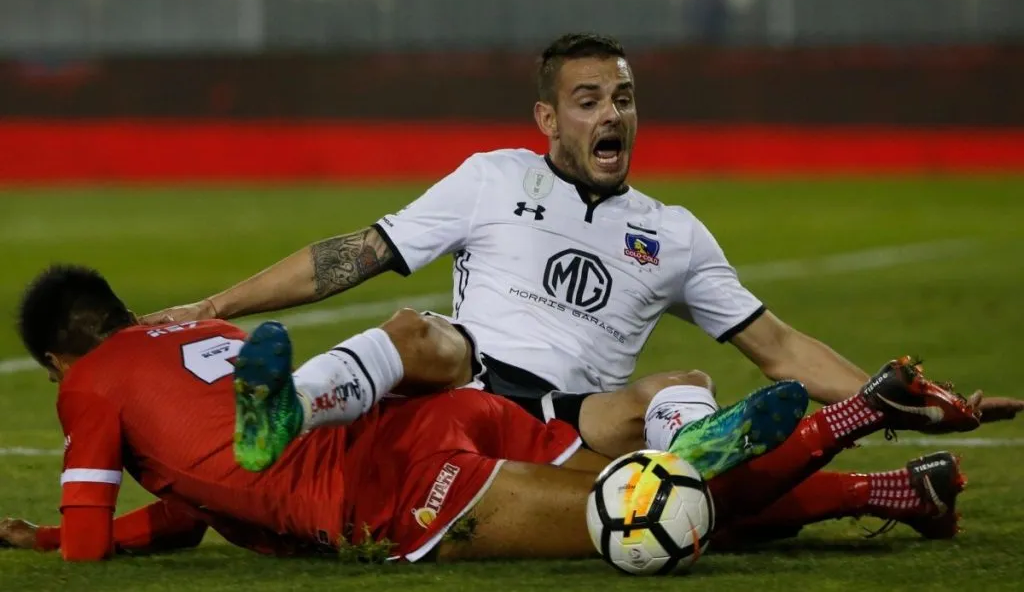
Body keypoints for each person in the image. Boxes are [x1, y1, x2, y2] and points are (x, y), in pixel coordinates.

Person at [139, 32, 1022, 462]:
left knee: (685, 386)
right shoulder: (492, 176)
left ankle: (693, 467)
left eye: (625, 99)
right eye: (592, 99)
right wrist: (216, 307)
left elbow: (780, 346)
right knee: (418, 330)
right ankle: (278, 415)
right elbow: (355, 253)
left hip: (574, 415)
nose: (613, 116)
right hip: (469, 372)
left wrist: (900, 399)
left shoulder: (675, 233)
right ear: (548, 119)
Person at [0, 265, 982, 563]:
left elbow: (92, 537)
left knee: (649, 520)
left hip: (389, 490)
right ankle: (889, 489)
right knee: (648, 485)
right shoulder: (177, 345)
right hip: (425, 418)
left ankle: (846, 420)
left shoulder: (91, 383)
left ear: (58, 358)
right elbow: (192, 504)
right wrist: (36, 530)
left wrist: (64, 534)